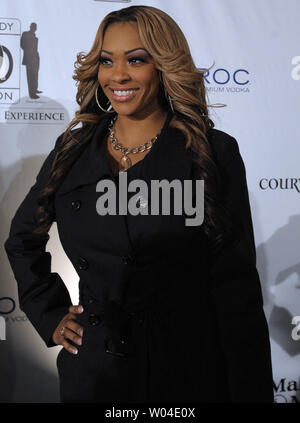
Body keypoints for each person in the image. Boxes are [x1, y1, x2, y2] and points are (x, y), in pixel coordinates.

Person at [4, 5, 274, 403]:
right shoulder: (74, 150)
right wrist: (51, 314)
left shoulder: (211, 152)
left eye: (135, 60)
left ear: (163, 65)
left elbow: (235, 287)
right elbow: (22, 238)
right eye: (107, 60)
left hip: (188, 372)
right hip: (96, 373)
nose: (118, 75)